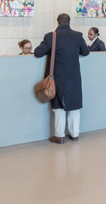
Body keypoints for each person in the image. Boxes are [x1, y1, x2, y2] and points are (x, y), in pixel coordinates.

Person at [34, 13, 90, 143]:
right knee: (74, 106)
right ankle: (74, 134)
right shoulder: (78, 36)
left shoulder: (51, 36)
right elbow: (85, 52)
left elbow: (38, 53)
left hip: (58, 77)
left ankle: (59, 136)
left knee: (59, 106)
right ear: (69, 22)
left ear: (57, 22)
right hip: (75, 77)